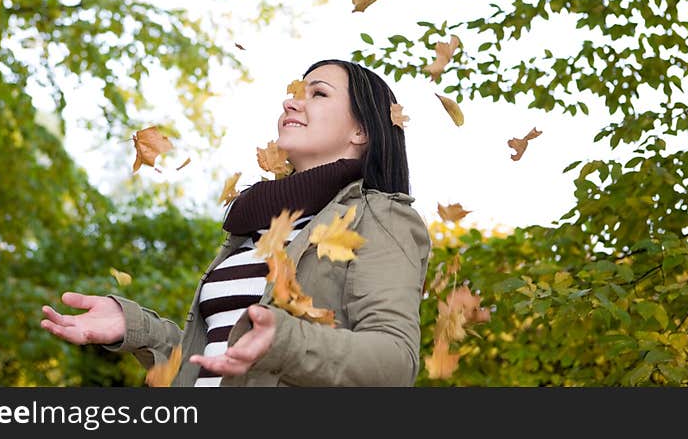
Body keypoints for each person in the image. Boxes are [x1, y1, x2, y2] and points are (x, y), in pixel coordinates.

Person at [40, 59, 432, 386]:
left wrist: (287, 341)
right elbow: (211, 357)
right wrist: (135, 327)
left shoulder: (381, 216)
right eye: (295, 92)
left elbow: (395, 362)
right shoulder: (255, 225)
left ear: (361, 130)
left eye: (318, 93)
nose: (291, 102)